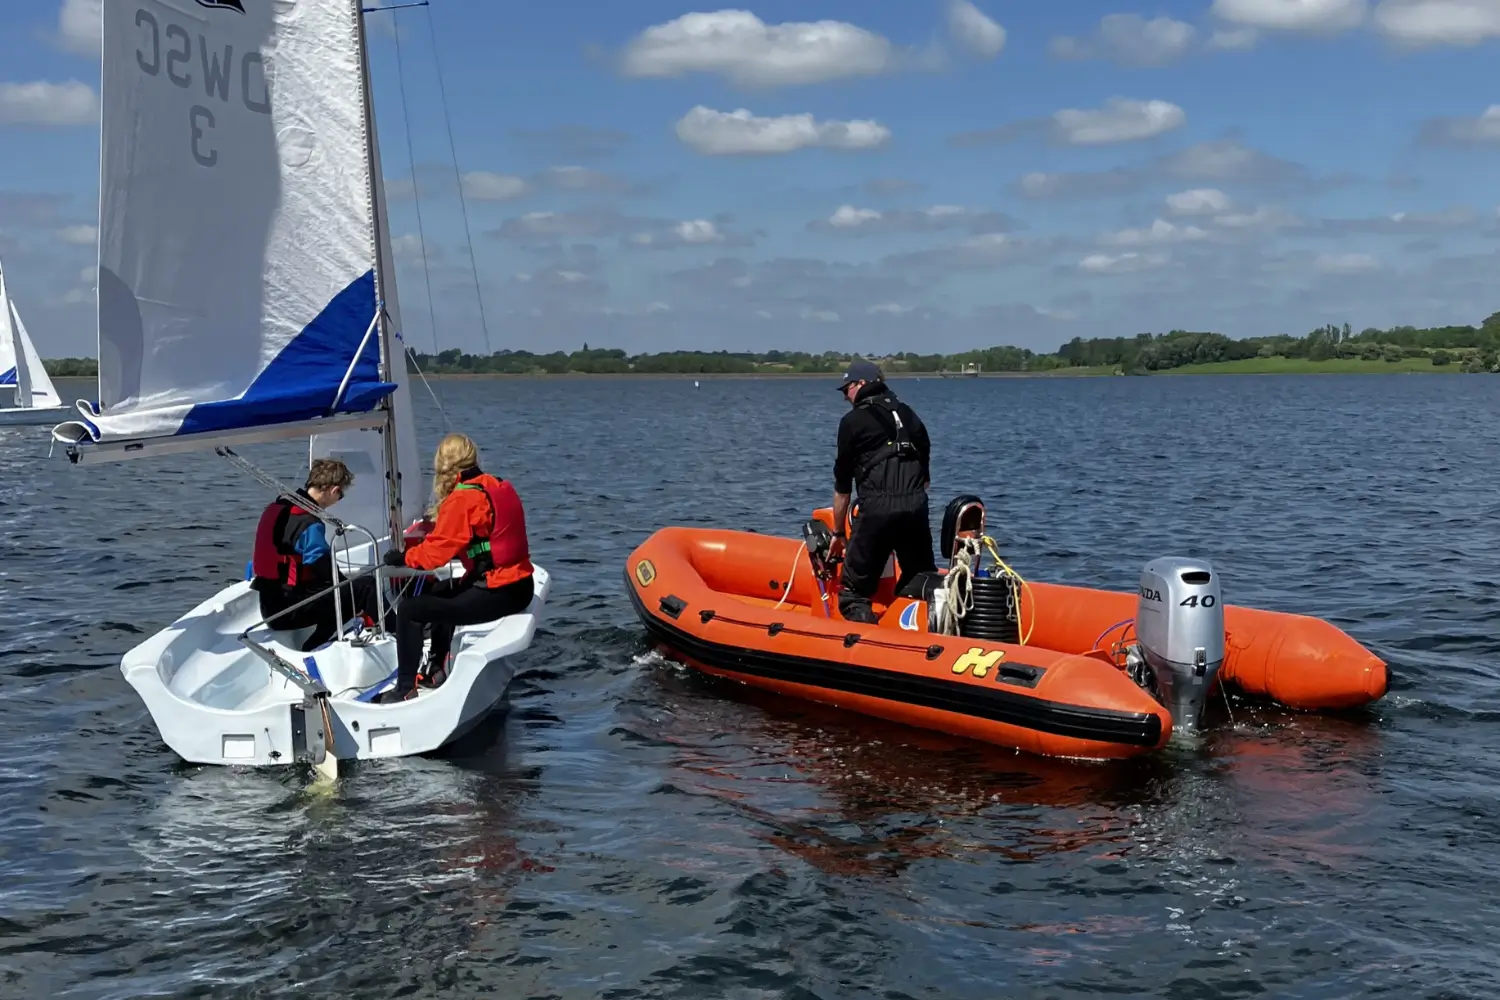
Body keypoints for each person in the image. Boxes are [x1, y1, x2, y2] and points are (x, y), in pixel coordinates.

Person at [375, 433, 535, 704]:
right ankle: (437, 669)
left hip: (500, 591)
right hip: (520, 584)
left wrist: (403, 558)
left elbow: (435, 555)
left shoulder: (462, 500)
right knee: (439, 591)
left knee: (410, 611)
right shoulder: (497, 484)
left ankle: (404, 689)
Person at [828, 359, 937, 624]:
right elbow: (925, 470)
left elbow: (842, 487)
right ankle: (927, 635)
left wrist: (839, 533)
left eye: (846, 390)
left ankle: (863, 648)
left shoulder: (852, 421)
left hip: (877, 508)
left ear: (862, 384)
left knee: (854, 593)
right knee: (919, 578)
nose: (845, 397)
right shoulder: (909, 413)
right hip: (916, 508)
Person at [249, 458, 388, 651]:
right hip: (288, 611)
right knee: (366, 588)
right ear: (333, 490)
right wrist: (357, 599)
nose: (338, 500)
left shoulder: (279, 509)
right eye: (341, 495)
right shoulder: (309, 524)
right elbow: (328, 575)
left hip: (270, 606)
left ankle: (313, 646)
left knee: (344, 595)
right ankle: (399, 635)